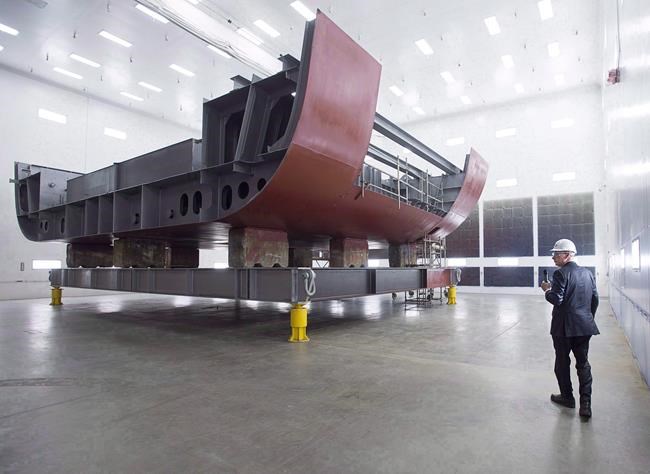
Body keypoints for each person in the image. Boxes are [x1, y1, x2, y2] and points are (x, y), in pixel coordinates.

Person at [540, 238, 599, 419]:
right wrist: (587, 318)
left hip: (563, 329)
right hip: (584, 327)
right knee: (583, 364)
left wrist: (547, 290)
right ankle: (586, 405)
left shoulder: (560, 274)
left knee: (562, 363)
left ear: (567, 255)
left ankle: (567, 397)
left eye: (556, 254)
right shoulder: (588, 273)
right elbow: (595, 299)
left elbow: (556, 299)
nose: (553, 258)